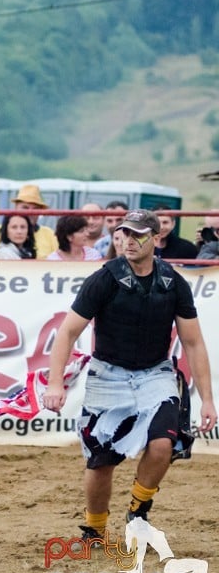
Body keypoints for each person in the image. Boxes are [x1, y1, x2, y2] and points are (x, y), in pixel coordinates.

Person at [42, 209, 216, 540]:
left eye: (138, 234)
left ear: (156, 239)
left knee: (163, 444)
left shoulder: (173, 282)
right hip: (108, 375)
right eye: (126, 234)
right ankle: (94, 528)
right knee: (101, 461)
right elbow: (66, 332)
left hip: (156, 375)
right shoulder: (105, 278)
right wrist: (54, 383)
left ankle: (138, 510)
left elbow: (193, 343)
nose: (130, 240)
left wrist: (208, 400)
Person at [0, 184, 58, 259]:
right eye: (25, 207)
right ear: (16, 208)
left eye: (35, 208)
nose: (30, 212)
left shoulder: (49, 234)